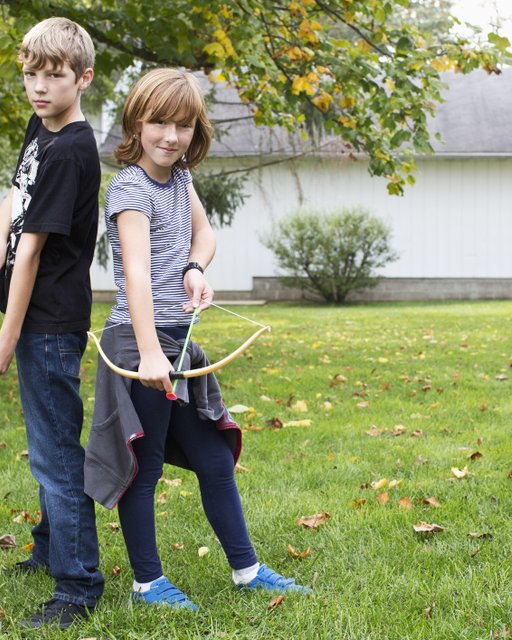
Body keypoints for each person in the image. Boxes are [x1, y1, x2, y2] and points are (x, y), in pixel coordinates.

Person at [85, 68, 310, 611]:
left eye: (182, 125)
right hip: (139, 344)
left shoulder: (181, 180)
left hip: (177, 341)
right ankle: (148, 583)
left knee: (212, 456)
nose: (170, 136)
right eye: (159, 122)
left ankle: (248, 570)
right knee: (146, 462)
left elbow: (204, 234)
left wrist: (194, 266)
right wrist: (149, 353)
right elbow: (135, 274)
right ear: (136, 123)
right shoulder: (130, 188)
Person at [0, 17, 103, 629]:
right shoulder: (41, 129)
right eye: (31, 74)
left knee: (55, 455)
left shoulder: (73, 149)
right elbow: (13, 201)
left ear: (84, 78)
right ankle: (49, 551)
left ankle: (77, 585)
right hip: (36, 316)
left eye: (54, 76)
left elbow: (35, 253)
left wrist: (6, 335)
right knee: (48, 443)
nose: (39, 87)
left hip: (48, 322)